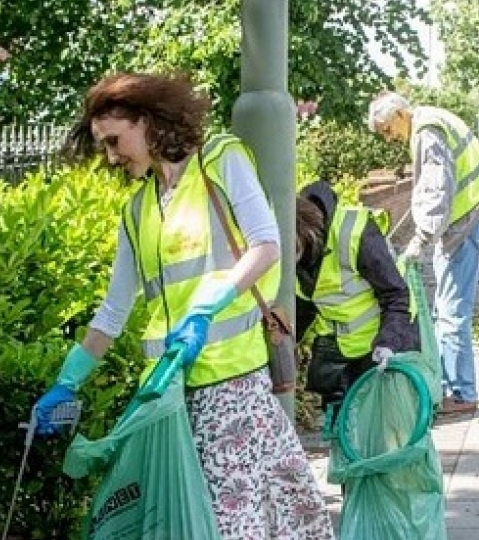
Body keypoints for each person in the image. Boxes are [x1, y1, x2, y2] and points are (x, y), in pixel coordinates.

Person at [32, 72, 334, 539]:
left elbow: (266, 244)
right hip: (170, 399)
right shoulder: (137, 211)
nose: (112, 156)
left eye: (115, 140)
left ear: (148, 121)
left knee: (229, 526)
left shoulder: (220, 162)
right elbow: (113, 312)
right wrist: (67, 381)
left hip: (230, 388)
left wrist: (203, 310)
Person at [367, 90, 479, 414]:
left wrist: (419, 242)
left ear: (399, 115)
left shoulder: (427, 132)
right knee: (444, 310)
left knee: (452, 314)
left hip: (466, 222)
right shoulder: (430, 119)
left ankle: (462, 394)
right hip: (472, 216)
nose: (388, 138)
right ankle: (446, 386)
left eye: (387, 130)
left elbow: (438, 190)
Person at [295, 180, 420, 413]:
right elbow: (302, 307)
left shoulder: (355, 232)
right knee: (342, 429)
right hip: (336, 351)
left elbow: (396, 294)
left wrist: (388, 342)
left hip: (379, 346)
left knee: (384, 428)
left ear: (311, 236)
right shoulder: (296, 254)